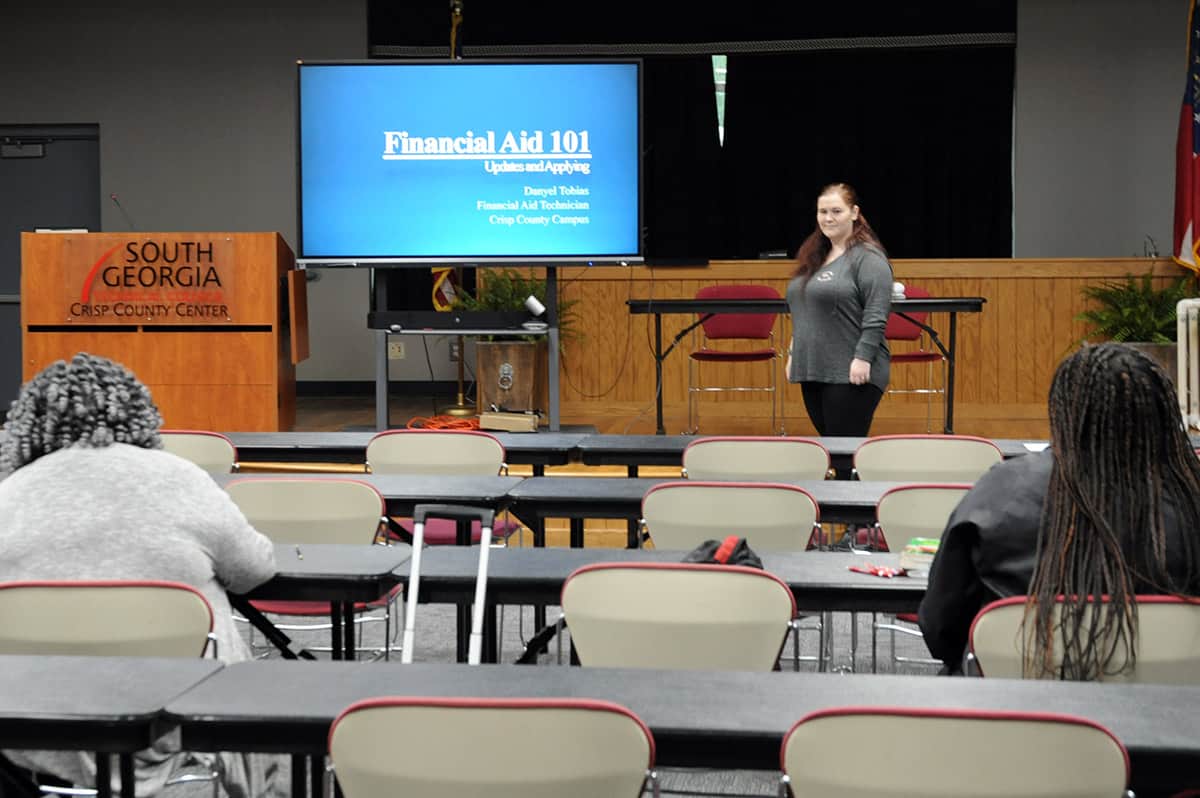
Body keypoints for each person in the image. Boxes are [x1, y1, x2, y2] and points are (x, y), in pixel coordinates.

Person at [0, 353, 284, 798]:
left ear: (30, 421)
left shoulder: (9, 494)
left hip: (38, 729)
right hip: (182, 716)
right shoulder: (180, 478)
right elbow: (255, 570)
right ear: (138, 411)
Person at [918, 343, 1200, 677]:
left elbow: (941, 630)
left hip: (1021, 715)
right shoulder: (1190, 496)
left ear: (1064, 411)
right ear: (1165, 415)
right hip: (1178, 719)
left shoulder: (1002, 492)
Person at [786, 182, 893, 438]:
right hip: (813, 368)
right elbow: (806, 312)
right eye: (823, 212)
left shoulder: (868, 258)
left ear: (854, 213)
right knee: (832, 448)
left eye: (836, 211)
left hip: (851, 372)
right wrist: (793, 353)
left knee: (843, 451)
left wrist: (863, 358)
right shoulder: (815, 257)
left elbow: (876, 315)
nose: (828, 218)